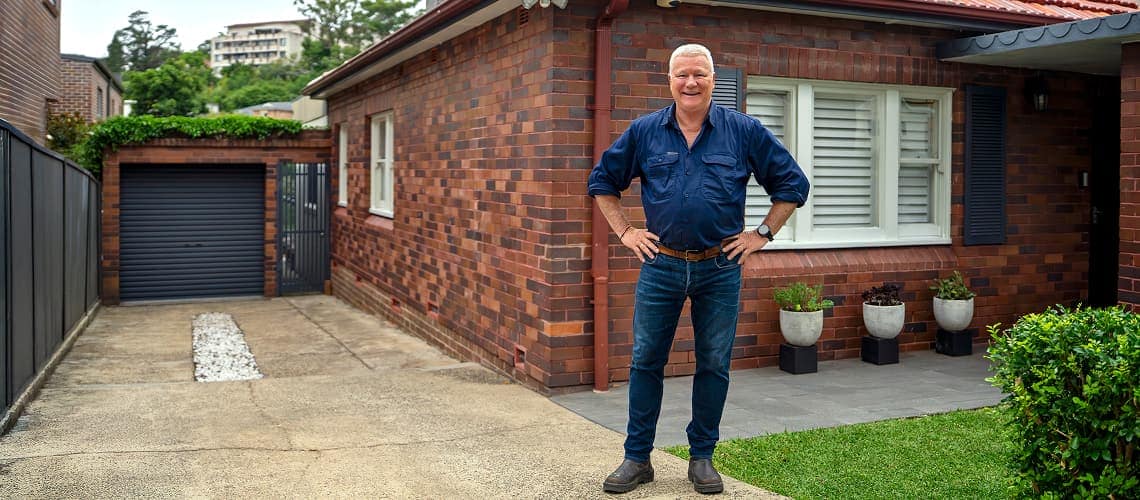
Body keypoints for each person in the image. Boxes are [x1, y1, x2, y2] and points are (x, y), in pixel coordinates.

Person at [587, 43, 809, 495]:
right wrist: (627, 232)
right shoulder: (646, 132)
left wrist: (761, 234)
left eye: (700, 75)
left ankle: (702, 458)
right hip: (661, 265)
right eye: (682, 74)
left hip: (719, 267)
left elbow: (792, 185)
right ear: (669, 80)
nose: (691, 82)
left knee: (713, 363)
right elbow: (601, 183)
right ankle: (636, 458)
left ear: (713, 79)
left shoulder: (743, 131)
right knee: (645, 361)